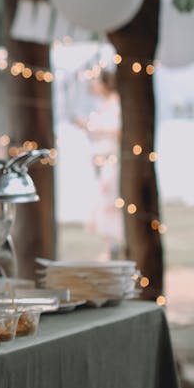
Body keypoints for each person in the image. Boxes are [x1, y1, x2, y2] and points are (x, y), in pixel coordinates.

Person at [79, 68, 124, 258]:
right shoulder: (104, 105)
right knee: (103, 201)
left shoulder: (116, 104)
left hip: (112, 160)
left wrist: (96, 128)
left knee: (111, 201)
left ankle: (115, 244)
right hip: (102, 160)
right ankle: (110, 243)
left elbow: (118, 130)